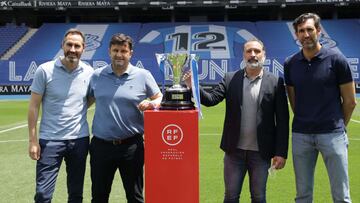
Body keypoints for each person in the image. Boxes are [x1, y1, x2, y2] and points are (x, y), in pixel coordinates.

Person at [185, 39, 289, 203]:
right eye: (249, 51)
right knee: (231, 197)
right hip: (234, 152)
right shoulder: (230, 78)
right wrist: (193, 85)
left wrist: (281, 152)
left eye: (256, 51)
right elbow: (212, 99)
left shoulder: (276, 82)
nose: (253, 55)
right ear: (243, 55)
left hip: (261, 153)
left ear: (264, 54)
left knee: (259, 197)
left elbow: (283, 120)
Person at [284, 13, 356, 203]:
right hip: (301, 136)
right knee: (303, 196)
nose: (306, 34)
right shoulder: (290, 63)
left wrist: (338, 125)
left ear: (318, 31)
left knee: (341, 195)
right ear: (297, 35)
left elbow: (350, 101)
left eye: (309, 29)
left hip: (332, 135)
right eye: (301, 31)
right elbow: (293, 100)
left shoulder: (337, 60)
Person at [88, 33, 162, 203]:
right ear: (109, 52)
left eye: (123, 50)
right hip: (101, 146)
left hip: (131, 147)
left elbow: (159, 97)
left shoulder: (143, 75)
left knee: (135, 196)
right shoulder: (97, 75)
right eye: (115, 50)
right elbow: (87, 101)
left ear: (130, 53)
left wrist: (152, 104)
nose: (119, 54)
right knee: (99, 196)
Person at [28, 28, 94, 203]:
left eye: (77, 46)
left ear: (83, 49)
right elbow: (34, 106)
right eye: (69, 44)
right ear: (62, 46)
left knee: (76, 193)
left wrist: (79, 109)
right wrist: (33, 140)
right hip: (50, 141)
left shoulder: (89, 72)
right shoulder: (45, 70)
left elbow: (91, 98)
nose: (72, 49)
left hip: (79, 140)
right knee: (43, 194)